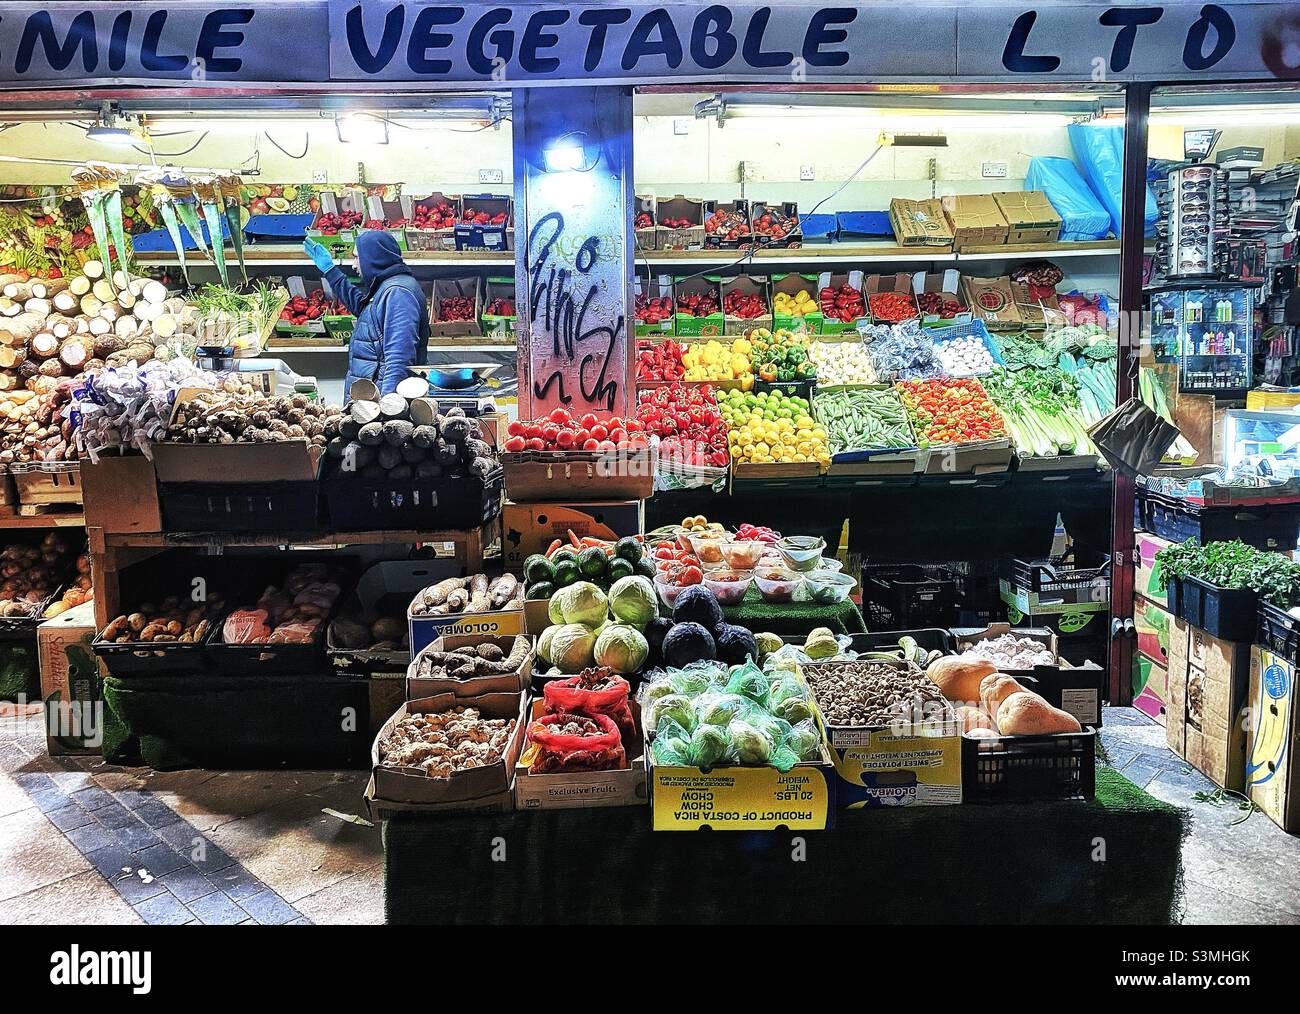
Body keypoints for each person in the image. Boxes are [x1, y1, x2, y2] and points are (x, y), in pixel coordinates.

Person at [303, 230, 428, 395]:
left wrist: (388, 410)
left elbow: (399, 360)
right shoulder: (387, 287)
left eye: (356, 257)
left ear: (372, 259)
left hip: (379, 403)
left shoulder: (398, 293)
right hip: (370, 401)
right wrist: (330, 270)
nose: (354, 265)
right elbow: (365, 313)